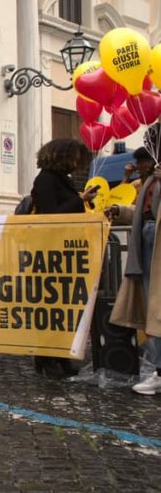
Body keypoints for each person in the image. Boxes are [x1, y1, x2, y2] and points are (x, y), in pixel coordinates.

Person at [30, 138, 98, 379]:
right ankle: (45, 356)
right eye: (74, 159)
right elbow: (50, 215)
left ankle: (60, 355)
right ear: (61, 157)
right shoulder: (45, 180)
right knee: (50, 306)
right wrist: (80, 199)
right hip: (50, 250)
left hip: (66, 249)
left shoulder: (63, 179)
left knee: (64, 307)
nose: (76, 164)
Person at [107, 125, 161, 395]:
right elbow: (143, 211)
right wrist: (120, 210)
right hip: (148, 241)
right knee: (154, 308)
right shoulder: (151, 180)